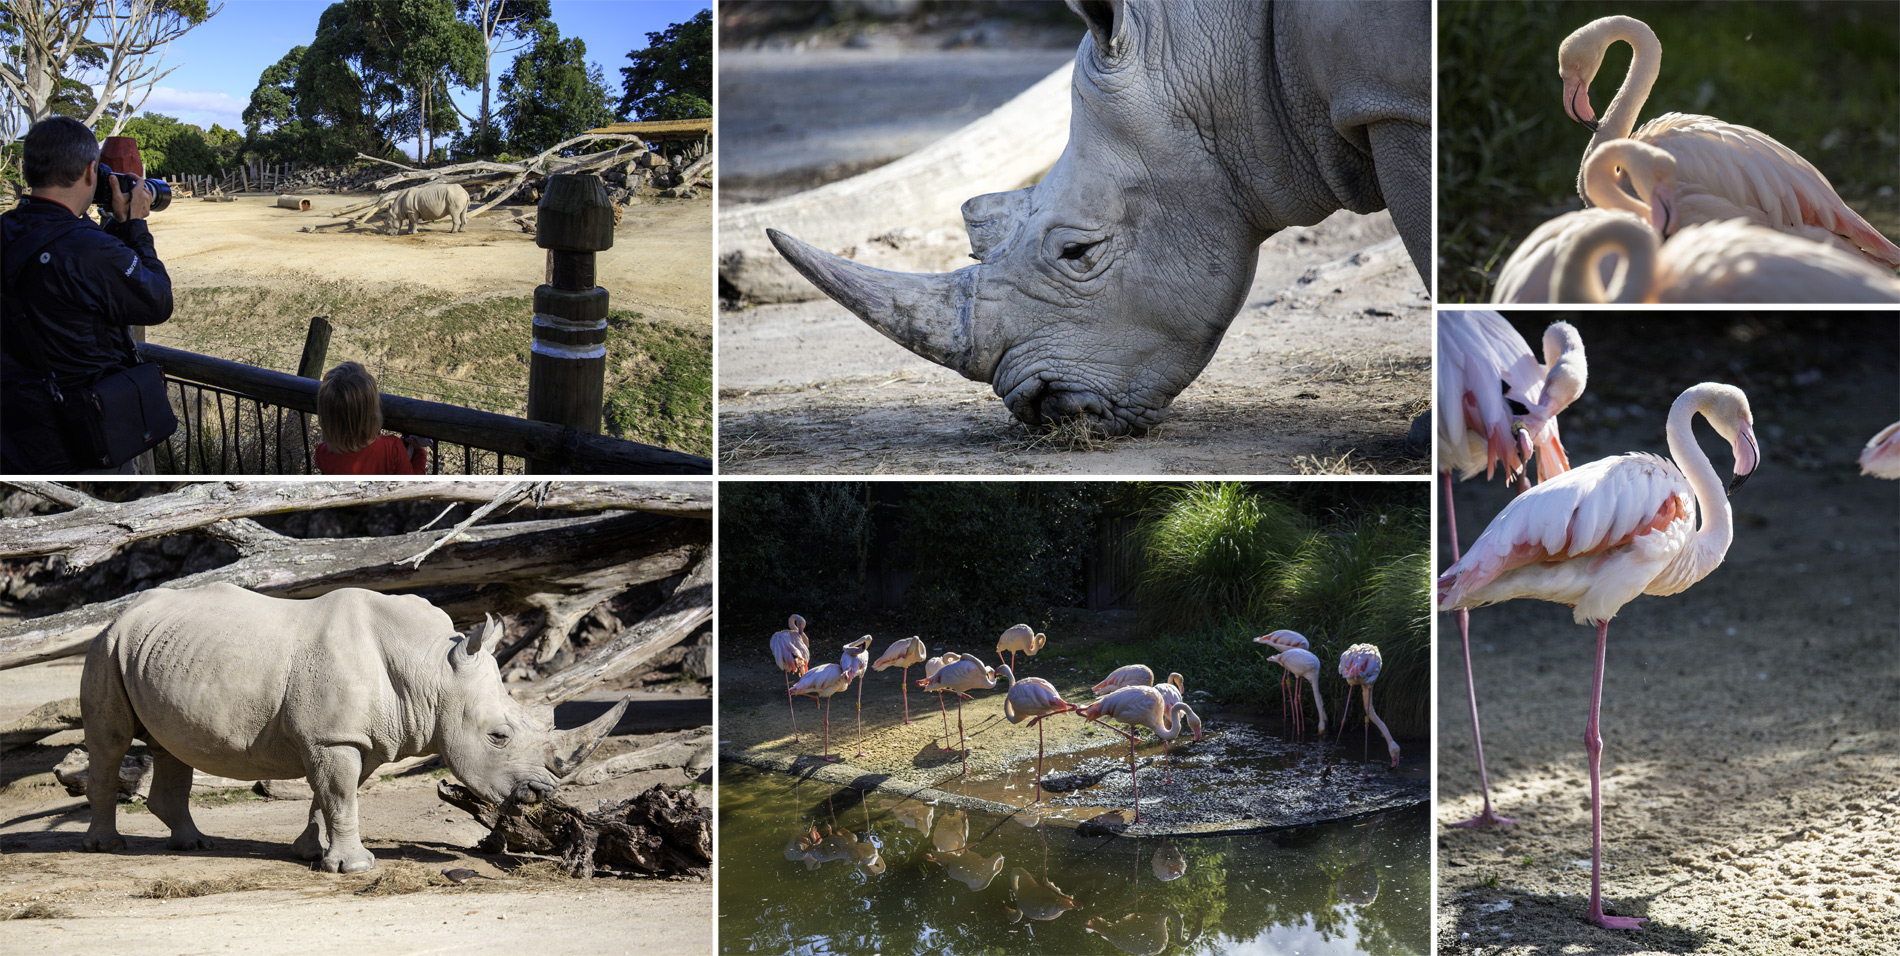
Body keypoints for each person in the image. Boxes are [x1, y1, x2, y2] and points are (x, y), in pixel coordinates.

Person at [1, 116, 173, 473]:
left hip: (15, 431)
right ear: (90, 173)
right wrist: (137, 226)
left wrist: (114, 225)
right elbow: (157, 300)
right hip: (81, 437)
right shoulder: (87, 248)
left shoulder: (10, 231)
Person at [313, 362, 432, 474]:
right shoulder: (392, 449)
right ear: (373, 413)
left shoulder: (322, 454)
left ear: (327, 418)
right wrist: (419, 452)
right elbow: (411, 487)